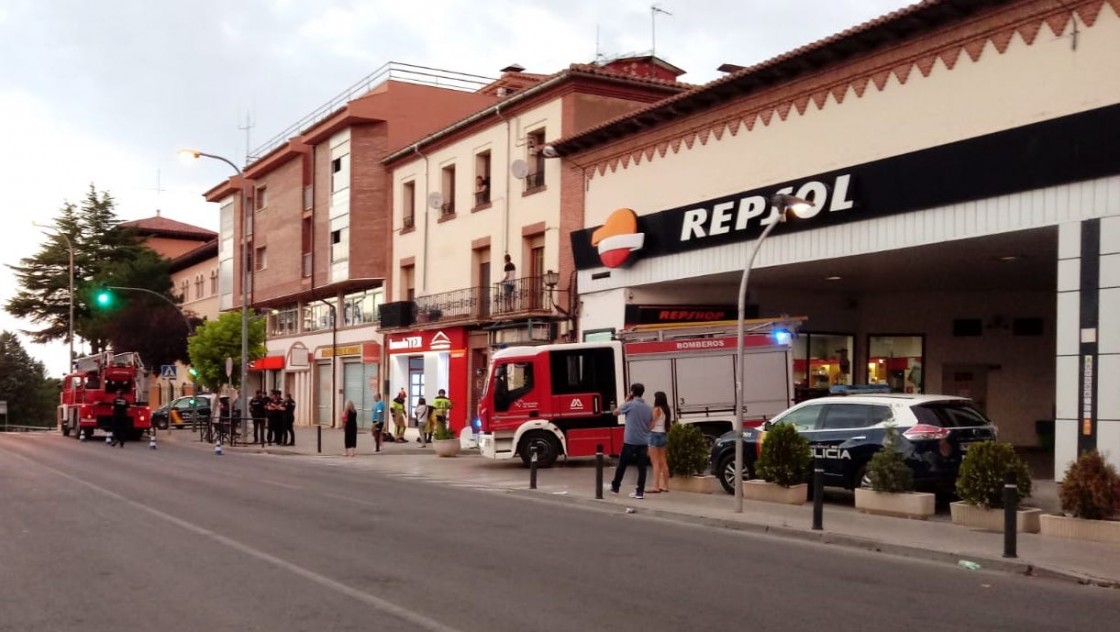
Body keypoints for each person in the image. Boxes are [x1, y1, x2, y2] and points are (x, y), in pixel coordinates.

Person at [609, 383, 653, 499]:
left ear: (632, 392)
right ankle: (640, 492)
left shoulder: (630, 405)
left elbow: (615, 412)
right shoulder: (649, 408)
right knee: (642, 468)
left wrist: (626, 400)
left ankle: (615, 487)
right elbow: (651, 424)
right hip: (643, 441)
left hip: (630, 441)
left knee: (622, 465)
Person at [647, 391, 672, 494]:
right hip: (663, 434)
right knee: (663, 461)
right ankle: (665, 486)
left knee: (655, 462)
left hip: (654, 435)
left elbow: (652, 424)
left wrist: (646, 429)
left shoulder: (656, 409)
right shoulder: (666, 410)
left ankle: (656, 486)